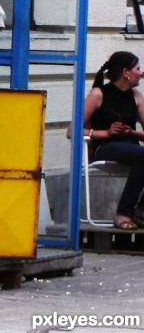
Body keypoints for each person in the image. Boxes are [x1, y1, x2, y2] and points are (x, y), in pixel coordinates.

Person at [67, 51, 144, 230]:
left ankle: (140, 209)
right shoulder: (98, 94)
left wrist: (133, 133)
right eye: (138, 69)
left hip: (132, 148)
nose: (141, 73)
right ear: (126, 72)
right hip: (106, 147)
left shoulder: (137, 95)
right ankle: (123, 213)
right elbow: (72, 131)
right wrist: (106, 133)